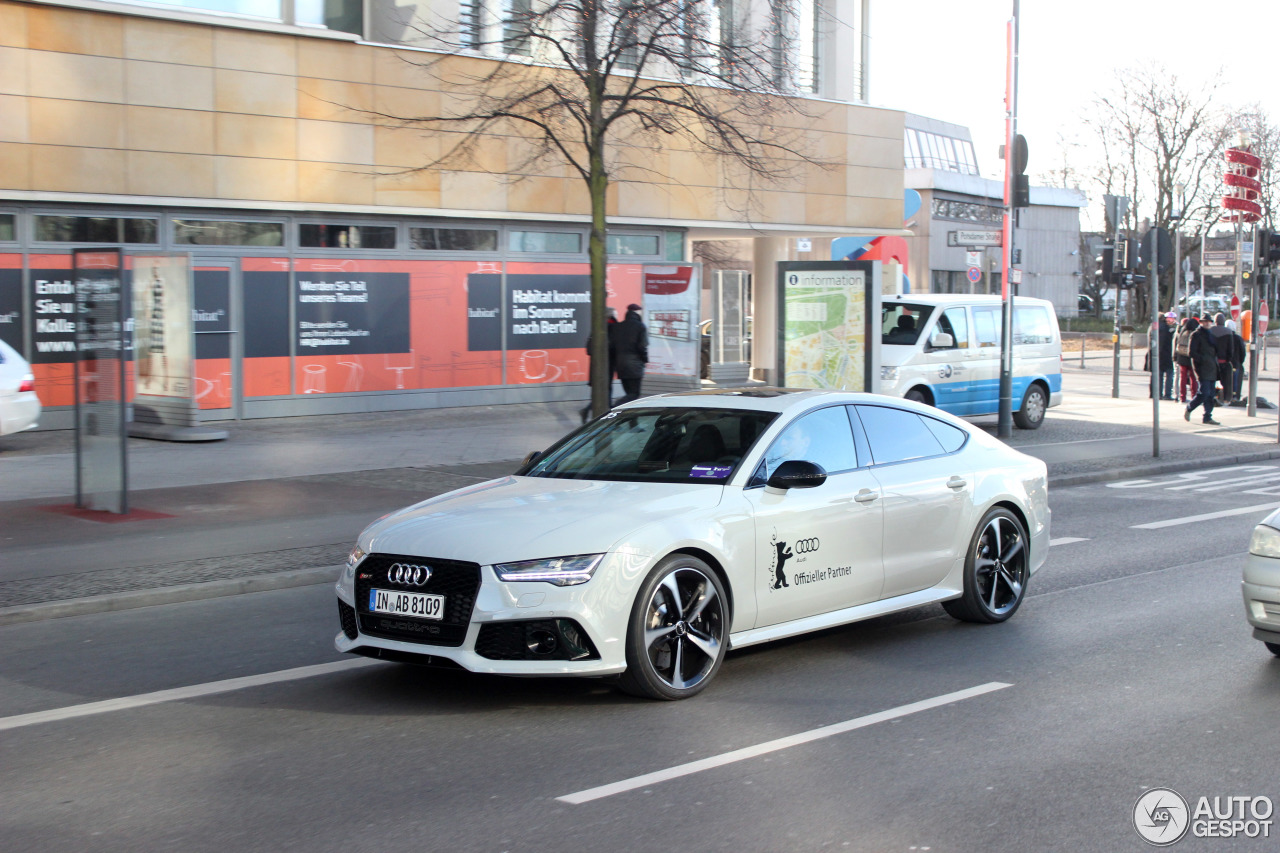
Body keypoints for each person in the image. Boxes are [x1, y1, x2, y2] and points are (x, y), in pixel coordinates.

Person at [580, 307, 618, 423]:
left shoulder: (598, 328)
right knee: (605, 393)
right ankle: (609, 419)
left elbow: (589, 349)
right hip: (606, 366)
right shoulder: (611, 328)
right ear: (610, 316)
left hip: (599, 367)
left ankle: (587, 411)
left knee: (603, 393)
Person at [612, 303, 649, 406]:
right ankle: (616, 406)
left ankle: (630, 420)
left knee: (629, 393)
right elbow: (642, 347)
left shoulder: (619, 326)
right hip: (634, 365)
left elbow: (614, 346)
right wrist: (645, 360)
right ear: (637, 312)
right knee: (634, 394)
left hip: (620, 365)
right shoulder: (640, 326)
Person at [1186, 316, 1221, 425]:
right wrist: (1203, 360)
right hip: (1202, 368)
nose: (1207, 324)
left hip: (1212, 368)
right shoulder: (1196, 335)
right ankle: (1189, 408)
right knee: (1204, 393)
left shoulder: (1211, 335)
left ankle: (1207, 417)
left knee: (1210, 395)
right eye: (1204, 322)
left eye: (1208, 322)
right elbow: (1191, 352)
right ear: (1201, 323)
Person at [1207, 313, 1236, 405]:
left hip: (1212, 361)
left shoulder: (1210, 331)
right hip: (1224, 360)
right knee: (1226, 381)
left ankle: (1211, 396)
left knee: (1211, 381)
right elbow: (1230, 348)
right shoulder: (1228, 332)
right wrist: (1229, 359)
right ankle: (1226, 398)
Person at [1175, 316, 1198, 403]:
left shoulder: (1182, 332)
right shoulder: (1195, 334)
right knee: (1193, 378)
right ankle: (1194, 396)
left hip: (1181, 357)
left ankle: (1182, 396)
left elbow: (1177, 344)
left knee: (1183, 378)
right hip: (1191, 358)